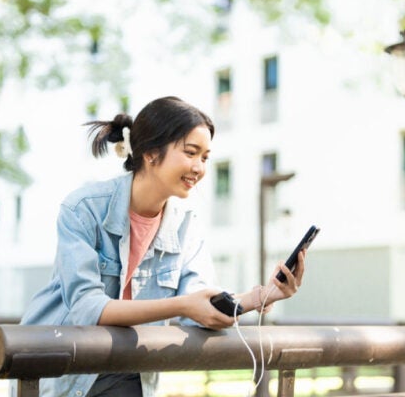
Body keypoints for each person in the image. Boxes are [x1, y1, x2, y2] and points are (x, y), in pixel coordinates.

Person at [19, 96, 306, 397]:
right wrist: (183, 305)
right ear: (151, 153)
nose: (199, 168)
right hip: (62, 371)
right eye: (191, 153)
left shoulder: (186, 225)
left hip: (130, 372)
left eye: (205, 157)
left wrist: (261, 296)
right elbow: (87, 308)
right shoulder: (83, 208)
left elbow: (200, 306)